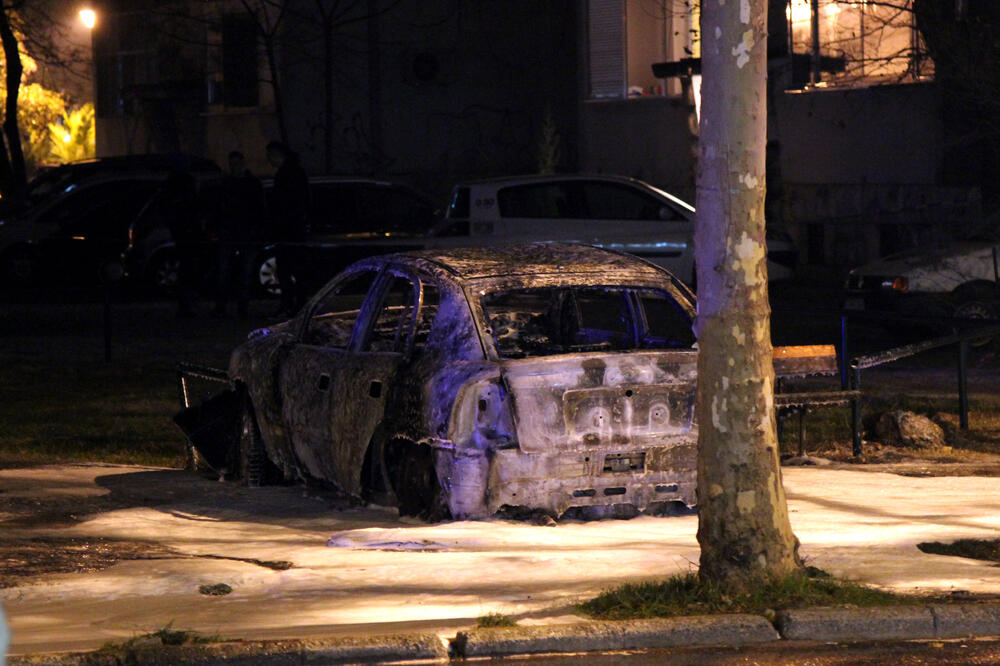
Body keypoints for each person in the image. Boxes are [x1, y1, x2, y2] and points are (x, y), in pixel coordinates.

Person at [213, 151, 266, 317]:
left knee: (243, 273)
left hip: (245, 234)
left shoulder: (249, 184)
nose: (234, 167)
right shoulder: (229, 184)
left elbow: (260, 209)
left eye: (236, 164)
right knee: (227, 273)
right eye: (232, 164)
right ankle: (224, 306)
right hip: (232, 233)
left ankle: (239, 306)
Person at [265, 140, 309, 316]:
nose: (268, 160)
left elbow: (286, 203)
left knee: (288, 269)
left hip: (288, 230)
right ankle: (295, 305)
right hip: (291, 229)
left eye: (270, 156)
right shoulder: (294, 172)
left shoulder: (287, 174)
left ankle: (292, 305)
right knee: (292, 270)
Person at [158, 169, 201, 317]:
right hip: (187, 236)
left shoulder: (174, 198)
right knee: (189, 270)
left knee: (186, 270)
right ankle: (188, 304)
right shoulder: (186, 199)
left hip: (183, 236)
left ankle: (186, 304)